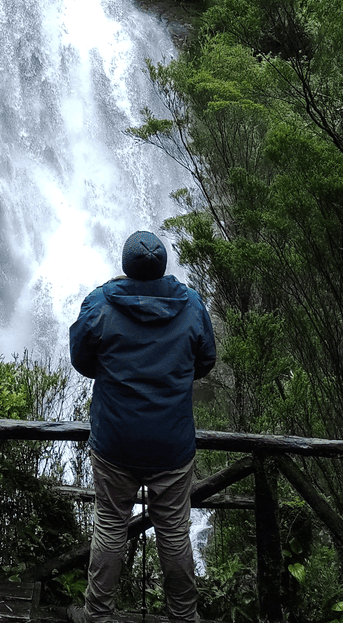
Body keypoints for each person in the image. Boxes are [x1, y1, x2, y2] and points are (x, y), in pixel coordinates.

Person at [68, 230, 216, 623]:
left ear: (125, 265)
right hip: (171, 443)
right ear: (163, 265)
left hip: (115, 441)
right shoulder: (192, 305)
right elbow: (206, 361)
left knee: (111, 526)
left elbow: (82, 361)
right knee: (173, 533)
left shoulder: (101, 303)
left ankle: (97, 614)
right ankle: (184, 617)